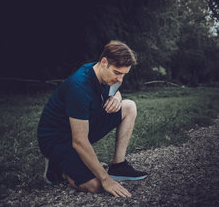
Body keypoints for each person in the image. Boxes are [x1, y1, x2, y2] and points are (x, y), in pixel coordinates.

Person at [37, 40, 148, 198]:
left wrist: (117, 97)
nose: (121, 79)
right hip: (57, 139)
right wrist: (106, 179)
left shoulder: (103, 73)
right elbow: (79, 141)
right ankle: (58, 165)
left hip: (81, 126)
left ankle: (119, 165)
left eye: (124, 74)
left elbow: (115, 89)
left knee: (129, 106)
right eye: (117, 73)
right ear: (104, 62)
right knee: (96, 186)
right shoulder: (79, 87)